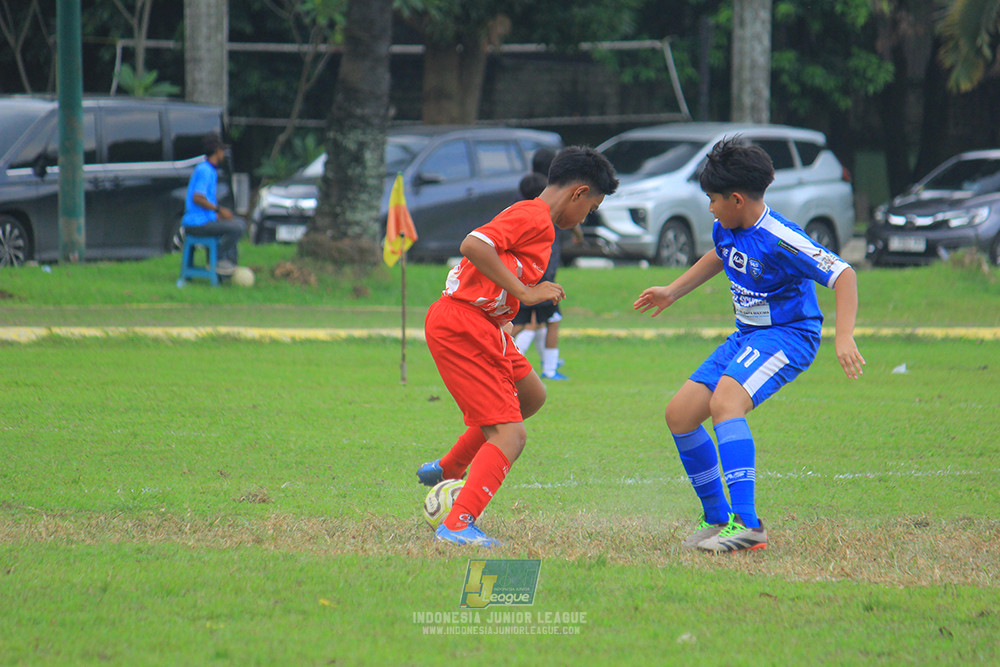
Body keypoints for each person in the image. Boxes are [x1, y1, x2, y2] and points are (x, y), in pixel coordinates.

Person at [633, 137, 865, 553]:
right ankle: (717, 519)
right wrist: (673, 291)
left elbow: (844, 273)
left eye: (712, 199)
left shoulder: (780, 238)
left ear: (736, 199)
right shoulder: (728, 226)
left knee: (726, 404)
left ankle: (748, 527)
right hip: (746, 336)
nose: (709, 208)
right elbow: (719, 256)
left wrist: (843, 335)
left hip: (789, 336)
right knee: (680, 415)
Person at [417, 146, 619, 547]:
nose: (585, 217)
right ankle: (457, 524)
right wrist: (526, 293)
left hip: (483, 323)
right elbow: (473, 246)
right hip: (462, 326)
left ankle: (451, 466)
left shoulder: (539, 222)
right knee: (511, 436)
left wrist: (505, 310)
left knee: (532, 394)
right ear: (578, 193)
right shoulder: (533, 215)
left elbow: (490, 267)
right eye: (591, 207)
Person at [510, 148, 573, 380]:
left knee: (531, 323)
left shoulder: (521, 194)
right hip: (542, 272)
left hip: (525, 272)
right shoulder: (547, 201)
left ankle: (546, 362)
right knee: (543, 322)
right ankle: (542, 366)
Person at [182, 134, 245, 275]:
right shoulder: (205, 170)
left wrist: (217, 215)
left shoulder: (208, 169)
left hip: (205, 220)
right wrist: (219, 210)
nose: (223, 154)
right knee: (238, 227)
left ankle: (229, 265)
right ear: (217, 151)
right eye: (222, 150)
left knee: (236, 222)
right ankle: (217, 258)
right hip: (197, 224)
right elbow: (198, 197)